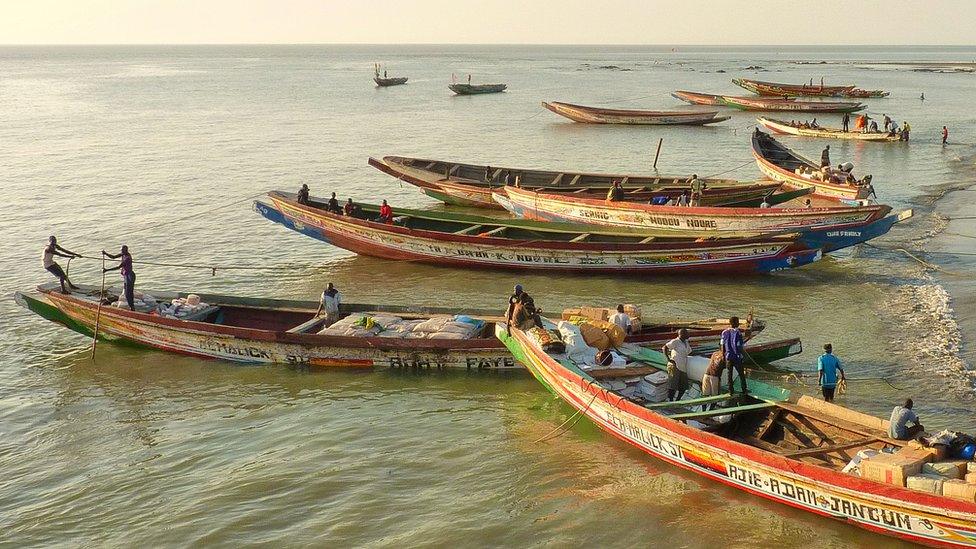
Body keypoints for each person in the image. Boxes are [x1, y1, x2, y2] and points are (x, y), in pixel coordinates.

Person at [102, 245, 136, 311]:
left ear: (126, 250)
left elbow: (118, 267)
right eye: (121, 250)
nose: (121, 251)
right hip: (126, 276)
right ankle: (131, 307)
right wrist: (106, 253)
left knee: (129, 293)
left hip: (130, 276)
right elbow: (113, 257)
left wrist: (107, 270)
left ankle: (132, 308)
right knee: (126, 293)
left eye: (123, 250)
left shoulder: (127, 258)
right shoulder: (123, 254)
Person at [663, 328, 691, 401]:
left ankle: (678, 400)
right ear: (682, 334)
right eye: (687, 333)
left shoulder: (686, 342)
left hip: (683, 366)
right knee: (673, 385)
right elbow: (665, 347)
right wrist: (668, 359)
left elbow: (688, 352)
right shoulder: (675, 341)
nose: (688, 335)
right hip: (675, 365)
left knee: (684, 386)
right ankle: (670, 400)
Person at [721, 317, 747, 396]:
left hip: (728, 356)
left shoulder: (724, 332)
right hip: (736, 356)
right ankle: (744, 389)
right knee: (741, 374)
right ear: (735, 323)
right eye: (737, 322)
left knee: (729, 374)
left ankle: (730, 391)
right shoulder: (738, 332)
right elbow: (739, 345)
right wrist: (744, 355)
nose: (738, 323)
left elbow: (722, 345)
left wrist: (724, 354)